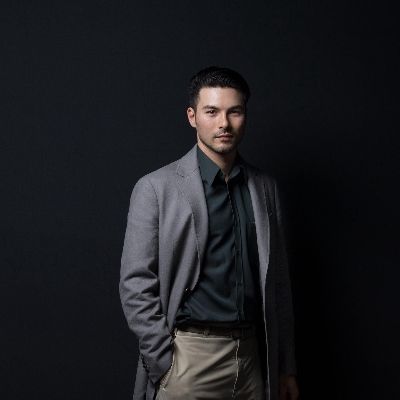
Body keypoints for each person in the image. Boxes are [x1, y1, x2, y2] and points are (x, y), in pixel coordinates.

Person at [119, 66, 299, 400]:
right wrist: (164, 362)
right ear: (192, 116)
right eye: (212, 112)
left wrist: (285, 366)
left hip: (252, 359)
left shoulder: (265, 188)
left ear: (245, 116)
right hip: (189, 359)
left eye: (235, 112)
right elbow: (135, 284)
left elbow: (279, 286)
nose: (224, 124)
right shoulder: (155, 188)